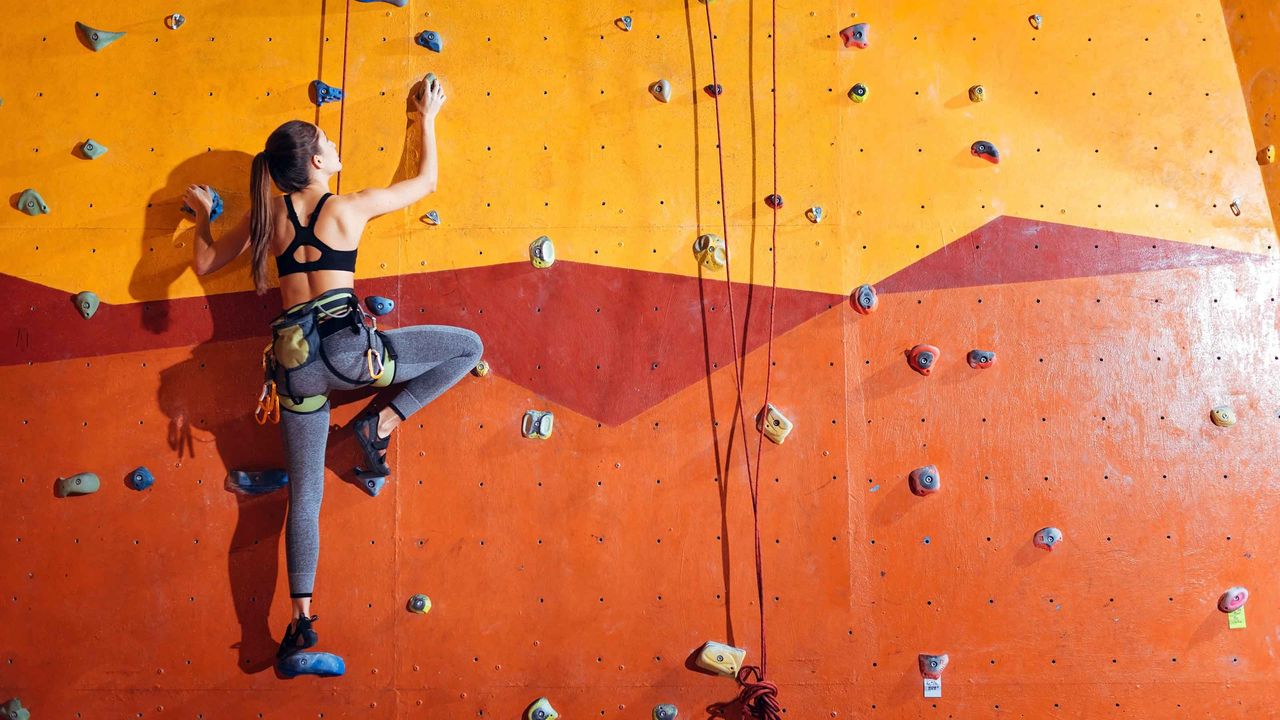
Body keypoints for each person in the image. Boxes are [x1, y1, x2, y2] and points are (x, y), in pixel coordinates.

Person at [184, 75, 483, 662]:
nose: (336, 146)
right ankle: (380, 426)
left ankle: (299, 622)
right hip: (351, 356)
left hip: (295, 370)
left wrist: (201, 215)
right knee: (467, 346)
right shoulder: (344, 207)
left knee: (306, 500)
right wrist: (427, 116)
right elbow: (423, 183)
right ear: (318, 160)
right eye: (329, 140)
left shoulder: (266, 219)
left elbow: (205, 261)